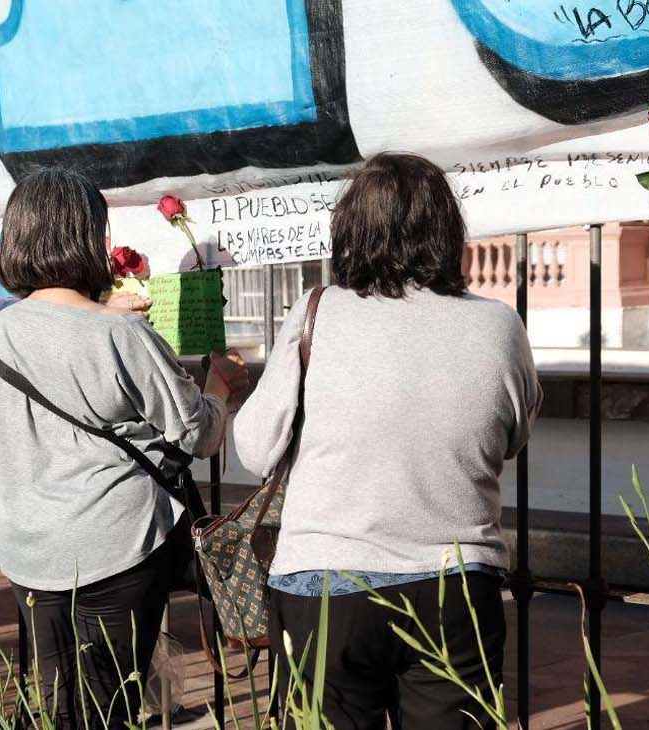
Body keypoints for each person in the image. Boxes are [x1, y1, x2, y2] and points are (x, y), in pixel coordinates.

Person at [234, 153, 542, 730]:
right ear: (447, 231)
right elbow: (511, 438)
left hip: (325, 583)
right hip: (454, 587)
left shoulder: (317, 313)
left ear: (351, 229)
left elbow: (254, 451)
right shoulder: (499, 324)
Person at [0, 168, 248, 729]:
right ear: (88, 237)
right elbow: (199, 434)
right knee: (108, 706)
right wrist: (220, 386)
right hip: (115, 548)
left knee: (60, 703)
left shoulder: (0, 333)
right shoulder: (121, 335)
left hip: (30, 554)